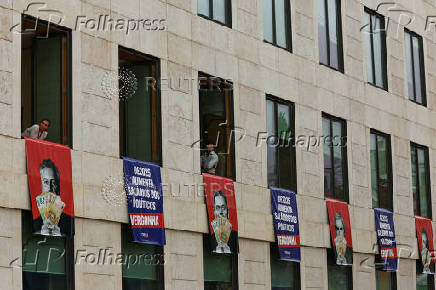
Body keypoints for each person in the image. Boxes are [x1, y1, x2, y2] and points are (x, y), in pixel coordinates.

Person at [34, 159, 73, 236]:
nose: (50, 187)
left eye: (53, 182)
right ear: (40, 184)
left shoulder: (68, 221)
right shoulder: (33, 219)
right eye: (46, 182)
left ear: (57, 185)